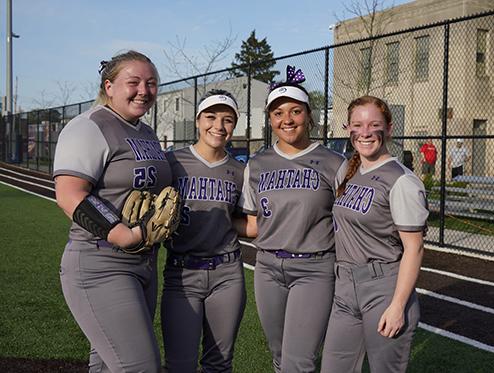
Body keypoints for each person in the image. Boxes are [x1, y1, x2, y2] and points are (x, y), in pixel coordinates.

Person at [53, 51, 169, 372]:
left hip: (143, 262)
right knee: (140, 366)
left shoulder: (145, 132)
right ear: (109, 85)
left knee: (106, 365)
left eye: (151, 83)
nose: (144, 90)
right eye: (133, 82)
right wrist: (124, 234)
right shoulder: (89, 126)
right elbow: (69, 194)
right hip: (101, 263)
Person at [239, 66, 347, 373]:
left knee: (299, 361)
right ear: (270, 120)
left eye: (295, 111)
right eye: (278, 113)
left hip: (315, 269)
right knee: (279, 354)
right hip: (268, 268)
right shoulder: (258, 163)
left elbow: (350, 220)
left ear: (309, 116)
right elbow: (253, 222)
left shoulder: (334, 162)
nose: (287, 119)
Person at [321, 96, 429, 373]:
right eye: (358, 124)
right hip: (345, 287)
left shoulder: (402, 180)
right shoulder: (347, 170)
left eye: (374, 125)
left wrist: (398, 306)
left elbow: (414, 249)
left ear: (389, 128)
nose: (365, 132)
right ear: (348, 128)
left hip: (383, 289)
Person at [161, 89, 251, 372]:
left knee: (219, 364)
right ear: (198, 120)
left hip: (227, 274)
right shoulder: (172, 162)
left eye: (227, 120)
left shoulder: (240, 170)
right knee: (180, 364)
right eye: (211, 117)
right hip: (181, 273)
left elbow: (237, 221)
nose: (218, 126)